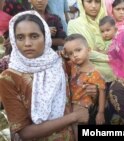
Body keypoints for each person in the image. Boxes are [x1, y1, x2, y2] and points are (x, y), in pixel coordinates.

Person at [0, 11, 96, 140]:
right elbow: (24, 132)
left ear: (46, 37)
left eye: (34, 36)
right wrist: (74, 117)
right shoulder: (9, 77)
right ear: (13, 39)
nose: (27, 43)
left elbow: (78, 95)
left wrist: (91, 91)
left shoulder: (60, 62)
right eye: (20, 37)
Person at [64, 34, 106, 139]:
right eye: (71, 53)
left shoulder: (94, 73)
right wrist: (63, 54)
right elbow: (62, 57)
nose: (75, 55)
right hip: (70, 104)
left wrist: (100, 113)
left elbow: (102, 92)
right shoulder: (73, 65)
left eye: (78, 50)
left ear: (88, 50)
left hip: (83, 107)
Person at [68, 0, 114, 83]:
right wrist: (111, 58)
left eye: (97, 2)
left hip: (115, 69)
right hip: (90, 73)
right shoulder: (74, 25)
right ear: (82, 3)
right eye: (89, 2)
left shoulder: (107, 22)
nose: (93, 6)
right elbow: (83, 53)